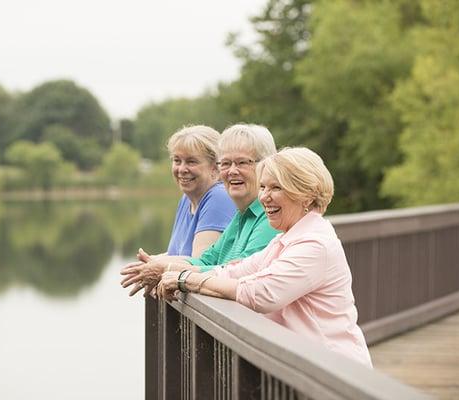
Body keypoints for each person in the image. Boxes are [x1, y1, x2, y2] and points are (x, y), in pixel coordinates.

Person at [156, 147, 373, 367]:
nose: (264, 197)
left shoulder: (314, 244)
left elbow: (261, 294)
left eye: (275, 188)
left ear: (305, 195)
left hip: (336, 372)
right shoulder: (286, 238)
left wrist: (187, 280)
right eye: (263, 187)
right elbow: (236, 271)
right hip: (310, 365)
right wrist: (178, 272)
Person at [121, 124, 280, 296]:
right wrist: (157, 267)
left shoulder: (270, 215)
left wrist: (172, 273)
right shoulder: (242, 214)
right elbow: (206, 260)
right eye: (226, 163)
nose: (232, 171)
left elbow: (240, 273)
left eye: (242, 162)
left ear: (266, 166)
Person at [164, 125, 236, 257]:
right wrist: (144, 264)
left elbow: (198, 263)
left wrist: (154, 267)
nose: (182, 169)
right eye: (177, 160)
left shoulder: (219, 197)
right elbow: (175, 255)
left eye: (191, 162)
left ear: (215, 167)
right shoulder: (187, 199)